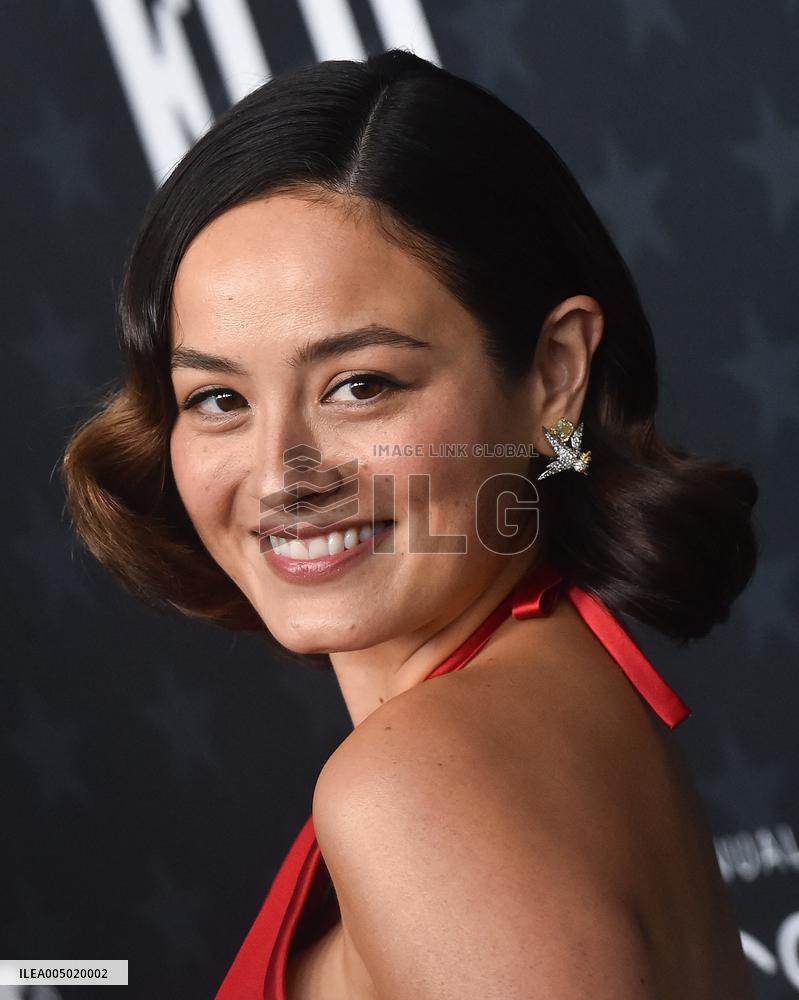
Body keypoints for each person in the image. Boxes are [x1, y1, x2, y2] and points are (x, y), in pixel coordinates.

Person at [61, 48, 758, 999]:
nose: (279, 475)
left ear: (552, 374)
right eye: (218, 397)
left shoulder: (422, 788)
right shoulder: (557, 701)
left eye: (360, 385)